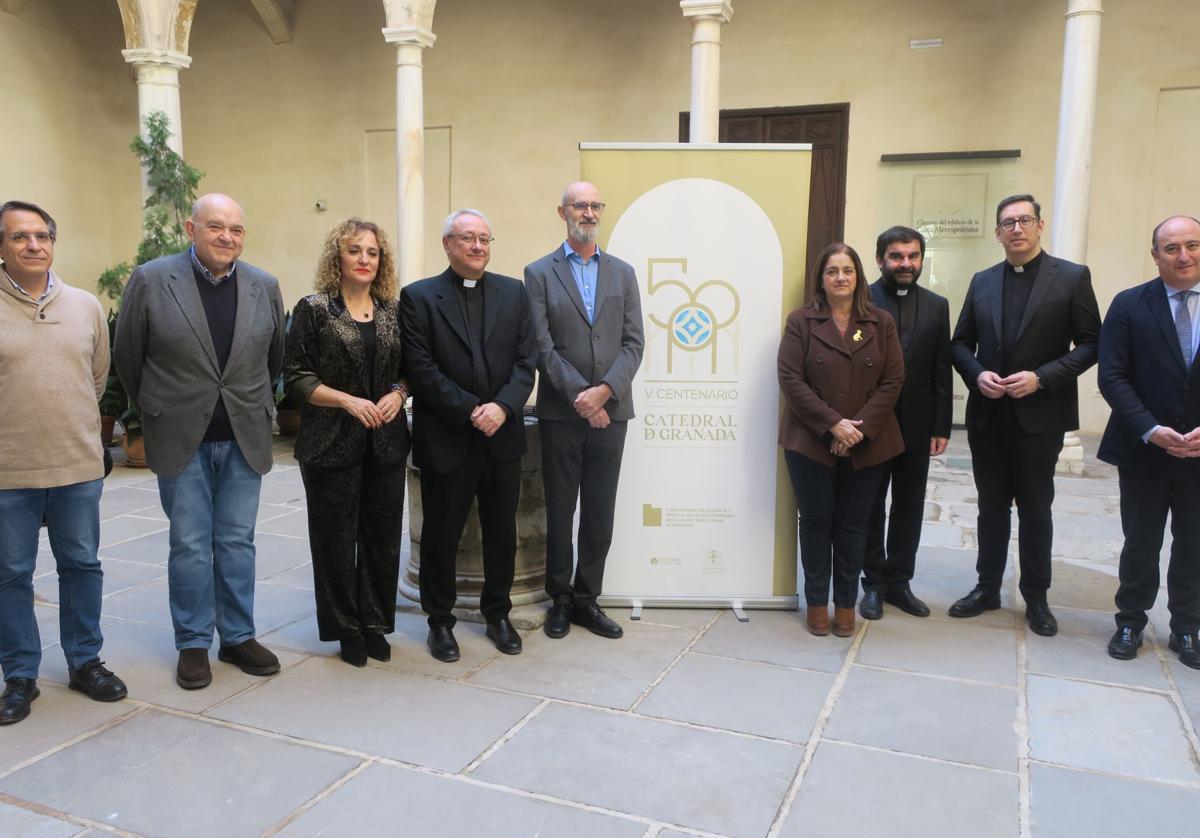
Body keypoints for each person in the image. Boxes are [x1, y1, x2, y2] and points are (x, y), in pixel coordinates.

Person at [114, 193, 286, 690]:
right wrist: (153, 409)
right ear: (191, 229)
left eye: (235, 228)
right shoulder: (152, 279)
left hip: (242, 435)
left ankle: (237, 636)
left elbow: (274, 359)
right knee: (189, 544)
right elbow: (129, 356)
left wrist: (254, 403)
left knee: (236, 541)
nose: (226, 237)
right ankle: (193, 642)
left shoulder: (264, 285)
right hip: (179, 435)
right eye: (215, 227)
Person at [949, 194, 1101, 636]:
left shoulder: (1071, 278)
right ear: (997, 232)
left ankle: (1036, 598)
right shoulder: (981, 281)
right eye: (1008, 223)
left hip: (1041, 416)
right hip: (989, 415)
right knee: (991, 508)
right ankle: (986, 588)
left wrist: (1043, 377)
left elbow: (1092, 342)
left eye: (1024, 220)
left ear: (1039, 226)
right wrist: (976, 375)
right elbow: (960, 343)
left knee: (1036, 509)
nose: (1016, 229)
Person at [0, 200, 127, 724]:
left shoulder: (84, 305)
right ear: (2, 247)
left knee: (82, 566)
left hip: (76, 465)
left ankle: (84, 661)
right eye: (19, 237)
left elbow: (95, 379)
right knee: (10, 574)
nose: (33, 245)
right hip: (9, 471)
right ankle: (20, 675)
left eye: (42, 236)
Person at [399, 209, 536, 662]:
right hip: (449, 436)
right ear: (447, 244)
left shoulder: (514, 293)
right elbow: (420, 367)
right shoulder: (418, 297)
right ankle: (440, 622)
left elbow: (525, 361)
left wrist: (501, 407)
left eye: (484, 239)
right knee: (442, 534)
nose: (478, 246)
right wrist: (470, 409)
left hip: (501, 434)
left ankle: (498, 613)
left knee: (502, 532)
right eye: (468, 238)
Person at [283, 218, 411, 667]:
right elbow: (296, 378)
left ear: (382, 260)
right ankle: (346, 628)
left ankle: (375, 622)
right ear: (337, 257)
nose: (364, 259)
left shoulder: (393, 310)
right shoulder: (315, 309)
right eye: (355, 250)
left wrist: (398, 393)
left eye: (372, 252)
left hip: (386, 442)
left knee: (381, 539)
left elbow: (407, 368)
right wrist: (347, 401)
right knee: (335, 541)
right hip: (330, 443)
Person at [525, 182, 645, 639]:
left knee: (599, 509)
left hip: (611, 414)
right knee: (560, 508)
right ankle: (559, 598)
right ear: (563, 212)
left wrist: (604, 394)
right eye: (581, 205)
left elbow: (634, 343)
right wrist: (581, 395)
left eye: (595, 205)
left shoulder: (623, 273)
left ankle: (586, 599)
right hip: (561, 413)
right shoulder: (538, 272)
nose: (589, 212)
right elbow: (542, 344)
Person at [778, 243, 905, 637]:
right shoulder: (801, 321)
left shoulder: (880, 321)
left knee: (854, 525)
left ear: (858, 276)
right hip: (810, 440)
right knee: (815, 523)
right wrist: (834, 425)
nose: (840, 277)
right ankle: (817, 602)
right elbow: (790, 379)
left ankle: (846, 605)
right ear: (821, 278)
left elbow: (893, 380)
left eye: (847, 270)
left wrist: (856, 430)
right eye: (832, 270)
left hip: (869, 441)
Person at [1098, 215, 1200, 667]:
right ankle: (1130, 620)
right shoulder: (1128, 304)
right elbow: (1113, 375)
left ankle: (1187, 627)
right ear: (1155, 254)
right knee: (1141, 539)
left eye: (1192, 245)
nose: (1184, 256)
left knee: (1194, 540)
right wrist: (1150, 428)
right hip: (1144, 448)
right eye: (1172, 248)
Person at [861, 226, 952, 620]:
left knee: (909, 505)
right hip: (872, 424)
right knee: (870, 506)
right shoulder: (859, 299)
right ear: (880, 259)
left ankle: (900, 581)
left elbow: (940, 369)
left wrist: (941, 426)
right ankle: (873, 584)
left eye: (913, 256)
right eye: (897, 256)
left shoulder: (937, 305)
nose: (906, 264)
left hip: (917, 425)